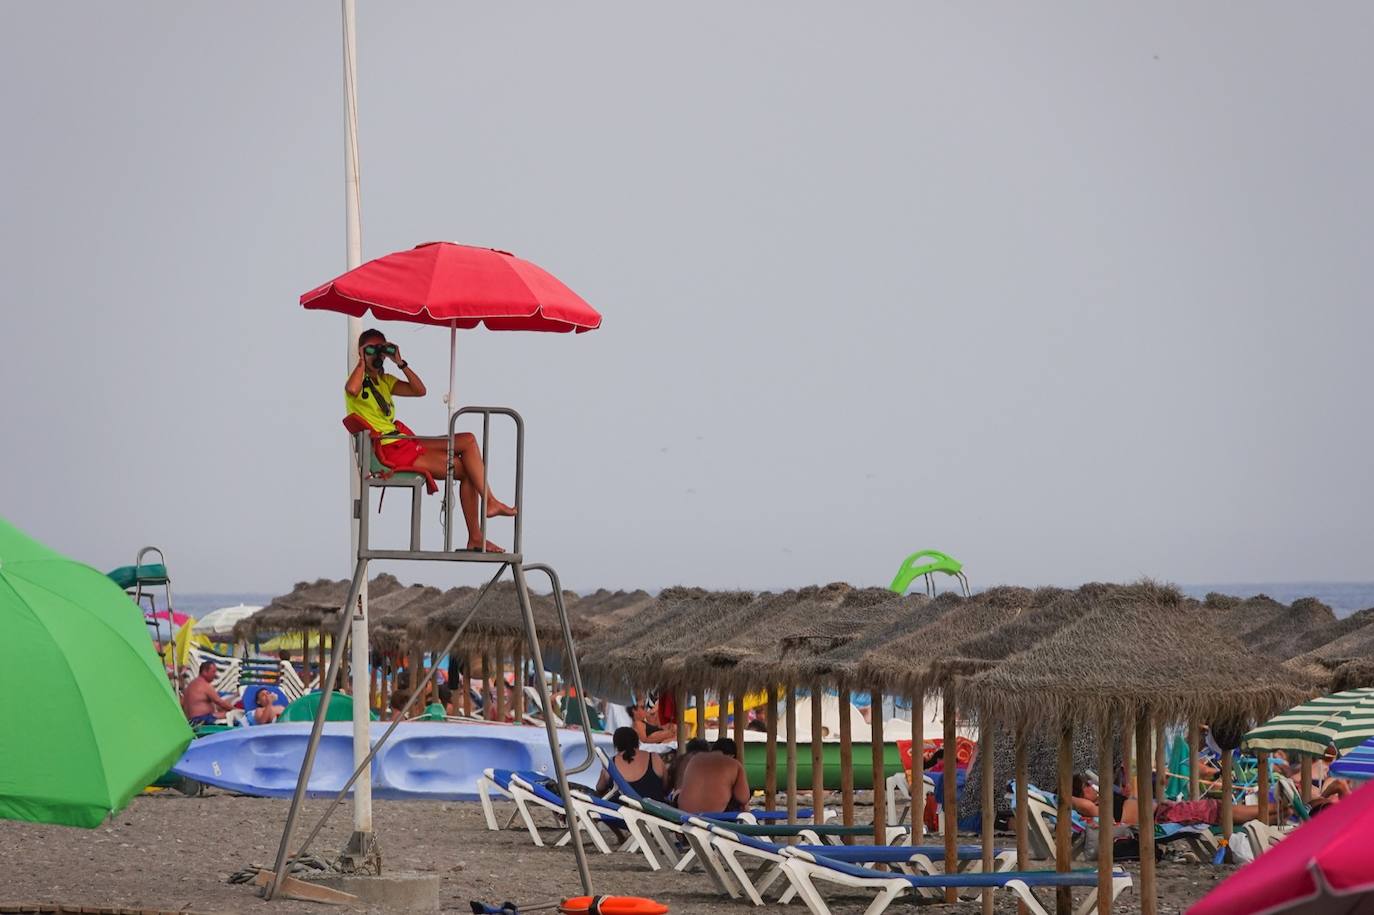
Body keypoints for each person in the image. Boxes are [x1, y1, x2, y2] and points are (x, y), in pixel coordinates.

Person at [345, 328, 516, 552]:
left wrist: (400, 362)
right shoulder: (358, 380)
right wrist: (361, 361)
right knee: (466, 457)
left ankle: (479, 528)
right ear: (362, 353)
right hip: (390, 450)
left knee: (468, 450)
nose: (376, 355)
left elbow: (419, 390)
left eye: (380, 349)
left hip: (403, 441)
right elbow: (351, 389)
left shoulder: (385, 381)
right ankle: (486, 512)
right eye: (371, 350)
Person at [675, 738, 751, 814]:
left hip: (685, 812)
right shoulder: (734, 764)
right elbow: (743, 798)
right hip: (713, 816)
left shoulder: (695, 759)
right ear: (732, 755)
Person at [596, 727, 668, 802]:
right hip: (654, 811)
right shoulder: (654, 758)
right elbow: (665, 786)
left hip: (622, 811)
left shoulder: (610, 764)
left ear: (616, 744)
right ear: (637, 741)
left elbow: (599, 788)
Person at [182, 660, 235, 725]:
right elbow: (219, 702)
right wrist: (235, 710)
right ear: (204, 672)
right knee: (232, 715)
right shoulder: (204, 685)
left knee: (224, 712)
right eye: (213, 672)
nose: (215, 675)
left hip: (191, 720)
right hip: (200, 720)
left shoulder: (191, 685)